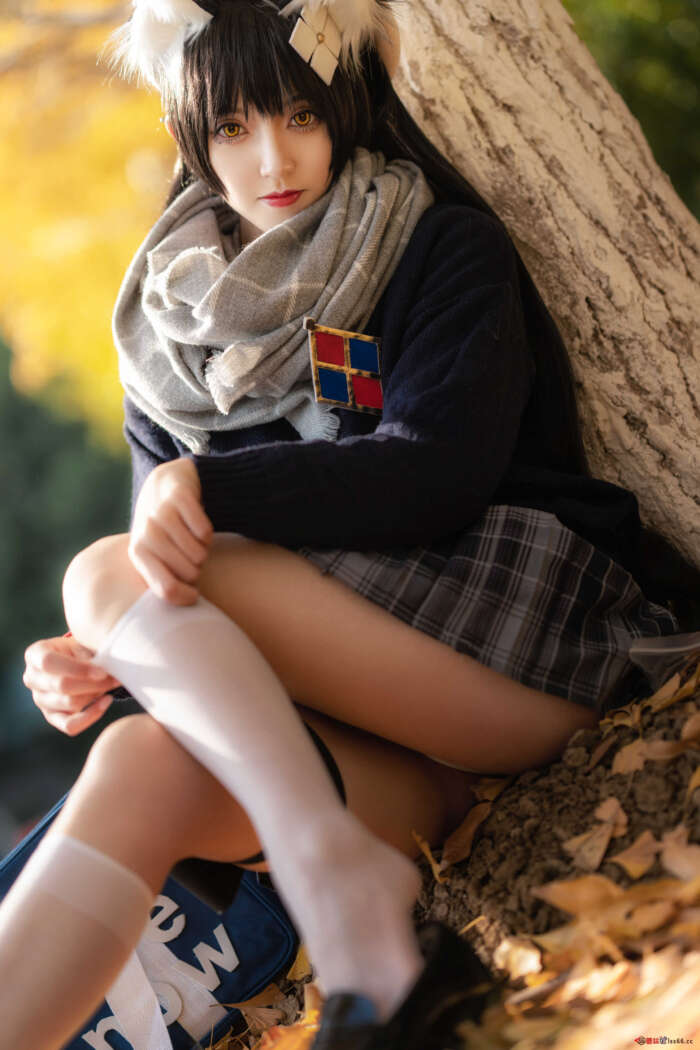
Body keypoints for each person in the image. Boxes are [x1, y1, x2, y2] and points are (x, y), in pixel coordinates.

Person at [5, 0, 678, 1047]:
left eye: (299, 115)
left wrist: (206, 492)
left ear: (343, 108)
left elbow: (432, 476)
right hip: (399, 777)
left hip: (514, 659)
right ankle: (353, 905)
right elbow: (169, 575)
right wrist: (97, 662)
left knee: (105, 573)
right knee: (137, 761)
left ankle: (329, 876)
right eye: (232, 127)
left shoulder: (432, 243)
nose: (272, 157)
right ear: (189, 135)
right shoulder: (165, 340)